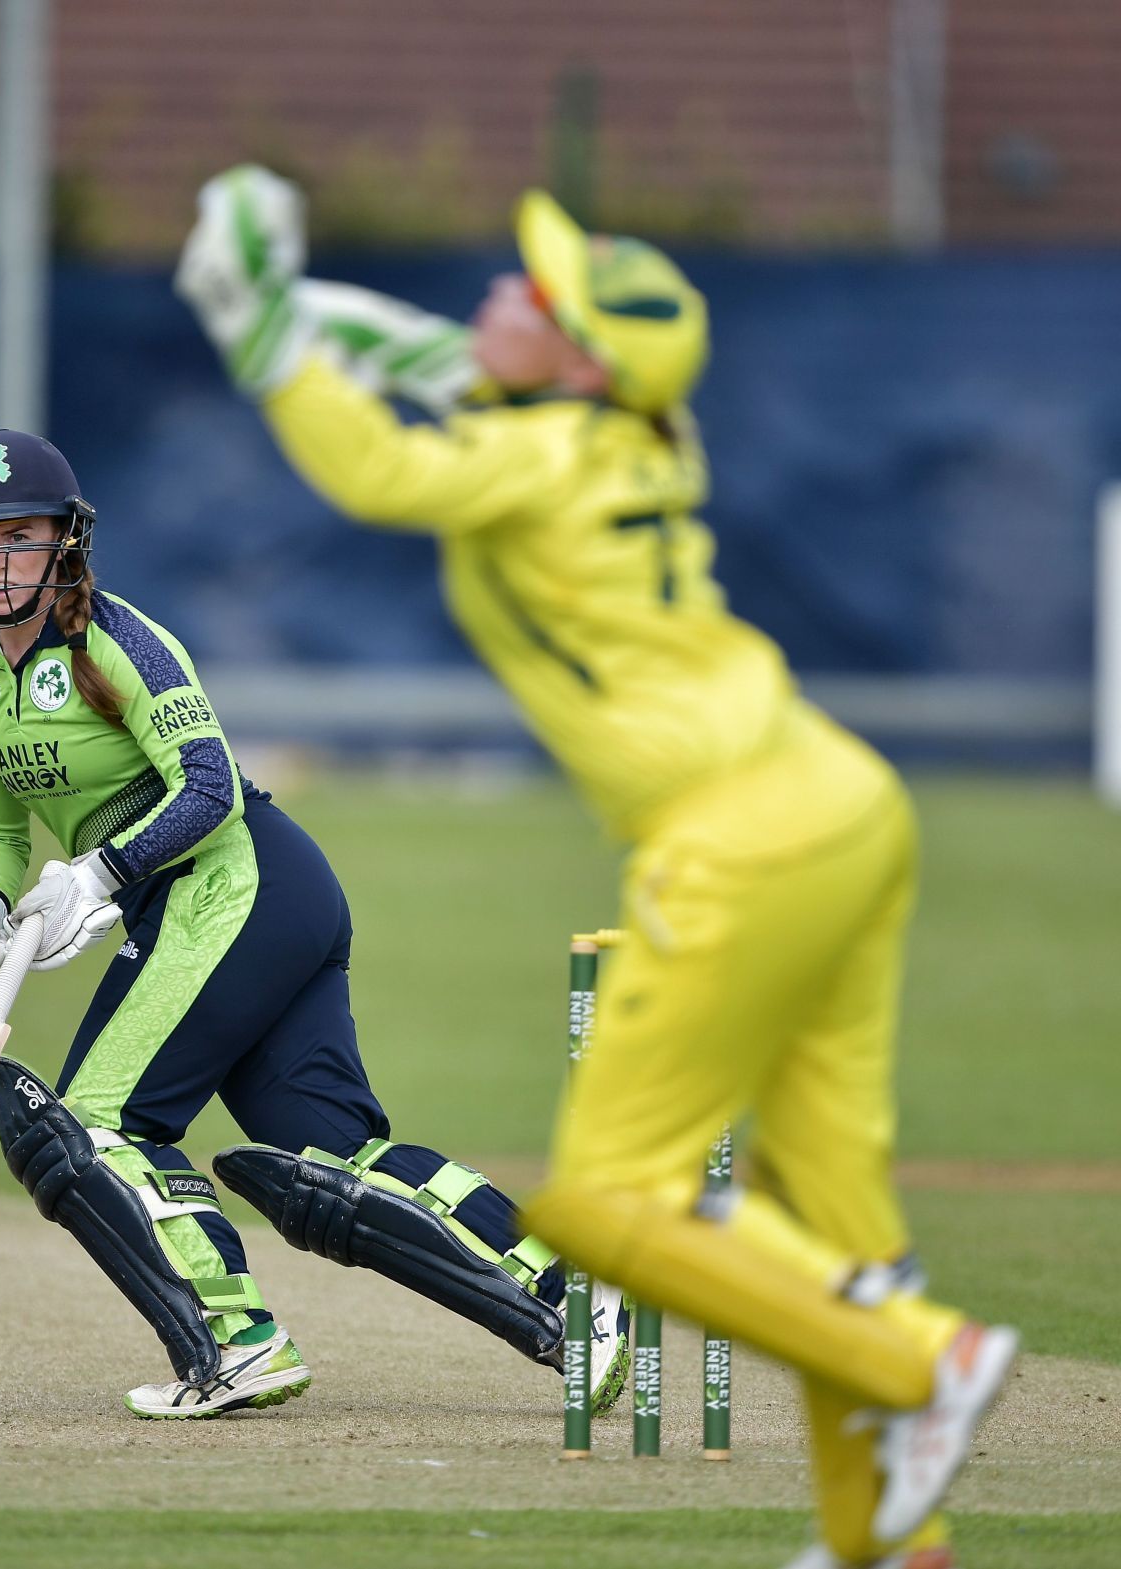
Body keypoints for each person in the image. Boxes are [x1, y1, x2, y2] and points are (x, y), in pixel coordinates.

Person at [176, 166, 1016, 1565]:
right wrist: (286, 305)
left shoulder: (540, 457)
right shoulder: (635, 430)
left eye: (535, 292)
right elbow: (445, 360)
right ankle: (889, 1543)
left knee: (607, 1213)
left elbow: (384, 466)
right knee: (836, 1220)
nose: (501, 288)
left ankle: (924, 1362)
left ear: (577, 356)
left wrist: (263, 332)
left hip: (736, 831)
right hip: (843, 798)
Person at [0, 428, 628, 1419]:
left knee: (96, 1128)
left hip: (237, 885)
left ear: (65, 542)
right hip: (224, 903)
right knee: (331, 1160)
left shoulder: (116, 640)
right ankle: (577, 1297)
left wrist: (102, 874)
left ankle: (235, 1341)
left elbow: (207, 786)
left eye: (19, 536)